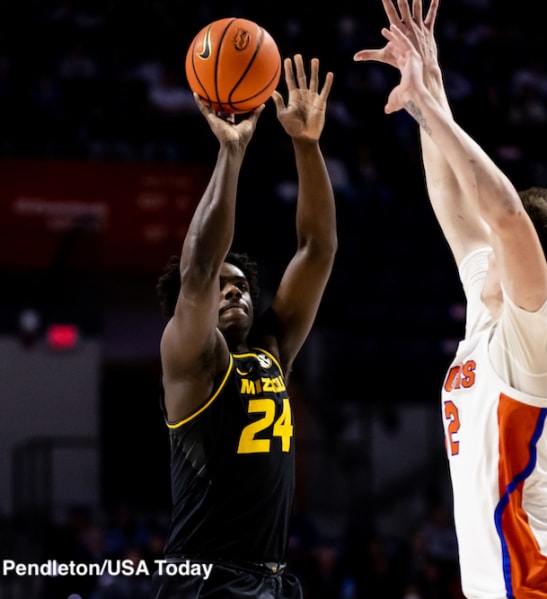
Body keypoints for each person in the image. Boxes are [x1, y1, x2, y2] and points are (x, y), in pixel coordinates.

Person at [354, 1, 547, 597]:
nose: (486, 240)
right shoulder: (491, 308)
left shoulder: (542, 335)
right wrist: (427, 94)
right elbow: (452, 201)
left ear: (529, 260)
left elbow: (503, 213)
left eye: (506, 242)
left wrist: (439, 114)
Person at [152, 54, 336, 599]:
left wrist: (306, 144)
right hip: (206, 578)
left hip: (272, 579)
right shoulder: (192, 361)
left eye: (244, 287)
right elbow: (200, 267)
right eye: (223, 287)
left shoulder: (272, 348)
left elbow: (317, 249)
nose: (234, 290)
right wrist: (231, 152)